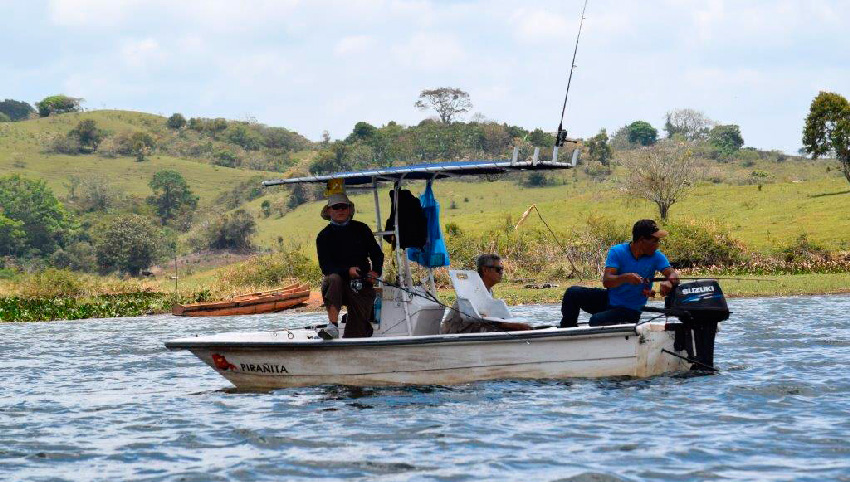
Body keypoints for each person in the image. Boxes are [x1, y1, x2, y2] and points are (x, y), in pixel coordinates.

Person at [560, 219, 680, 327]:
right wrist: (625, 278)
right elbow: (607, 281)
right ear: (642, 240)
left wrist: (669, 282)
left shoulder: (657, 256)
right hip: (609, 299)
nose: (658, 244)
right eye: (655, 241)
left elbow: (673, 275)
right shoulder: (617, 251)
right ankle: (567, 331)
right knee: (572, 293)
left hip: (630, 310)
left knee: (595, 320)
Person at [316, 192, 384, 339]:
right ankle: (332, 326)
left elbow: (377, 254)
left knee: (357, 333)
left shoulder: (362, 229)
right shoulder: (323, 236)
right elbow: (326, 267)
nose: (340, 210)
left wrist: (375, 272)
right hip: (337, 284)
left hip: (362, 284)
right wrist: (348, 271)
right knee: (333, 279)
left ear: (349, 209)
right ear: (329, 211)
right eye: (336, 207)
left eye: (343, 207)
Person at [441, 254, 532, 334]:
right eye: (498, 269)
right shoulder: (474, 290)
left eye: (502, 269)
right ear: (485, 270)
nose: (501, 272)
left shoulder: (488, 291)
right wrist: (512, 326)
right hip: (456, 331)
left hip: (473, 327)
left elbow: (488, 317)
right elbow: (480, 319)